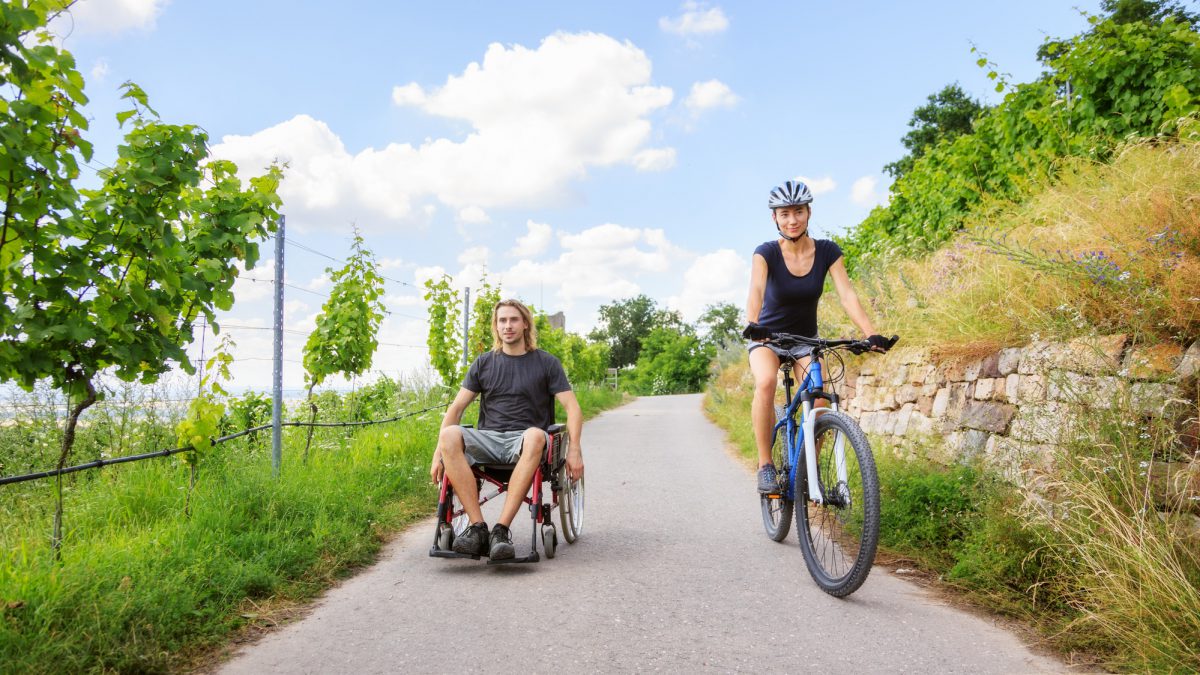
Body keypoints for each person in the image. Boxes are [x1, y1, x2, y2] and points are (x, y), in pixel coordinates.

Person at [743, 180, 890, 494]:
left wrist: (870, 332)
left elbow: (847, 294)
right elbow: (756, 290)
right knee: (766, 382)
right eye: (784, 214)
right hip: (768, 338)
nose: (792, 219)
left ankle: (807, 466)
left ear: (808, 212)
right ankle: (765, 464)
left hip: (805, 340)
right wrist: (753, 323)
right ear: (775, 218)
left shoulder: (827, 251)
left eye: (798, 211)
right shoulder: (765, 252)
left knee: (820, 398)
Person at [430, 298, 585, 560]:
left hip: (525, 440)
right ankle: (478, 529)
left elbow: (572, 408)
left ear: (525, 324)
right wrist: (438, 453)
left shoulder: (546, 363)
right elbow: (455, 409)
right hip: (489, 439)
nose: (508, 325)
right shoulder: (484, 363)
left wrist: (575, 450)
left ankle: (501, 531)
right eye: (502, 320)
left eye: (514, 319)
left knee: (537, 434)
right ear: (496, 326)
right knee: (449, 434)